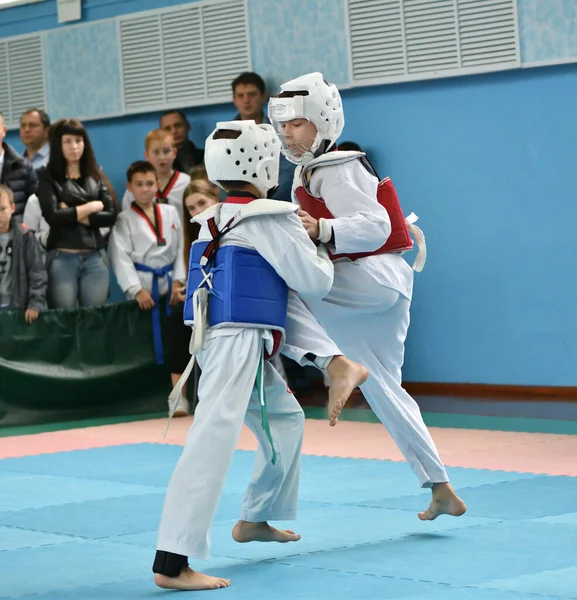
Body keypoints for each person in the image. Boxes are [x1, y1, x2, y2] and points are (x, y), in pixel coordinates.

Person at [153, 120, 365, 591]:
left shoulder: (212, 215)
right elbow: (315, 283)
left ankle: (256, 517)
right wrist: (322, 245)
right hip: (236, 343)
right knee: (212, 438)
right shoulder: (269, 216)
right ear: (263, 162)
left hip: (220, 341)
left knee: (286, 419)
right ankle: (171, 560)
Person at [268, 72, 467, 520]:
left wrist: (323, 229)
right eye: (283, 125)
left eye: (297, 123)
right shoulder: (314, 170)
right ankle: (440, 487)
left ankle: (328, 364)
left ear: (322, 120)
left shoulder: (335, 167)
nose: (287, 133)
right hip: (383, 286)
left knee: (275, 289)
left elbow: (376, 225)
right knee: (383, 388)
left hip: (368, 277)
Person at [109, 161, 188, 416]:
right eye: (139, 185)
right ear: (129, 187)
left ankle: (180, 395)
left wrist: (179, 280)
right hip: (144, 287)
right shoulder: (124, 219)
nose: (145, 189)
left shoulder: (170, 212)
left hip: (171, 284)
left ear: (157, 184)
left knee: (176, 338)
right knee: (147, 343)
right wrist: (135, 289)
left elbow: (180, 249)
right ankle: (151, 397)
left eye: (150, 184)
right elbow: (119, 257)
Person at [37, 118, 116, 309]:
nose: (74, 147)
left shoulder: (94, 175)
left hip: (95, 257)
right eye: (68, 141)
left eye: (79, 141)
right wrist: (90, 206)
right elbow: (53, 217)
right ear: (58, 146)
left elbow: (111, 214)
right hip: (62, 259)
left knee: (95, 319)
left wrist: (72, 211)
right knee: (65, 321)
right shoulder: (48, 177)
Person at [122, 129, 190, 226]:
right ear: (147, 155)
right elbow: (127, 221)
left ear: (174, 153)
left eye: (166, 151)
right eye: (156, 152)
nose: (162, 157)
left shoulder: (186, 183)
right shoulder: (134, 190)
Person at [0, 184, 47, 321]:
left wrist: (35, 303)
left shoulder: (25, 236)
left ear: (12, 208)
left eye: (2, 209)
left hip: (17, 307)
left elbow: (37, 271)